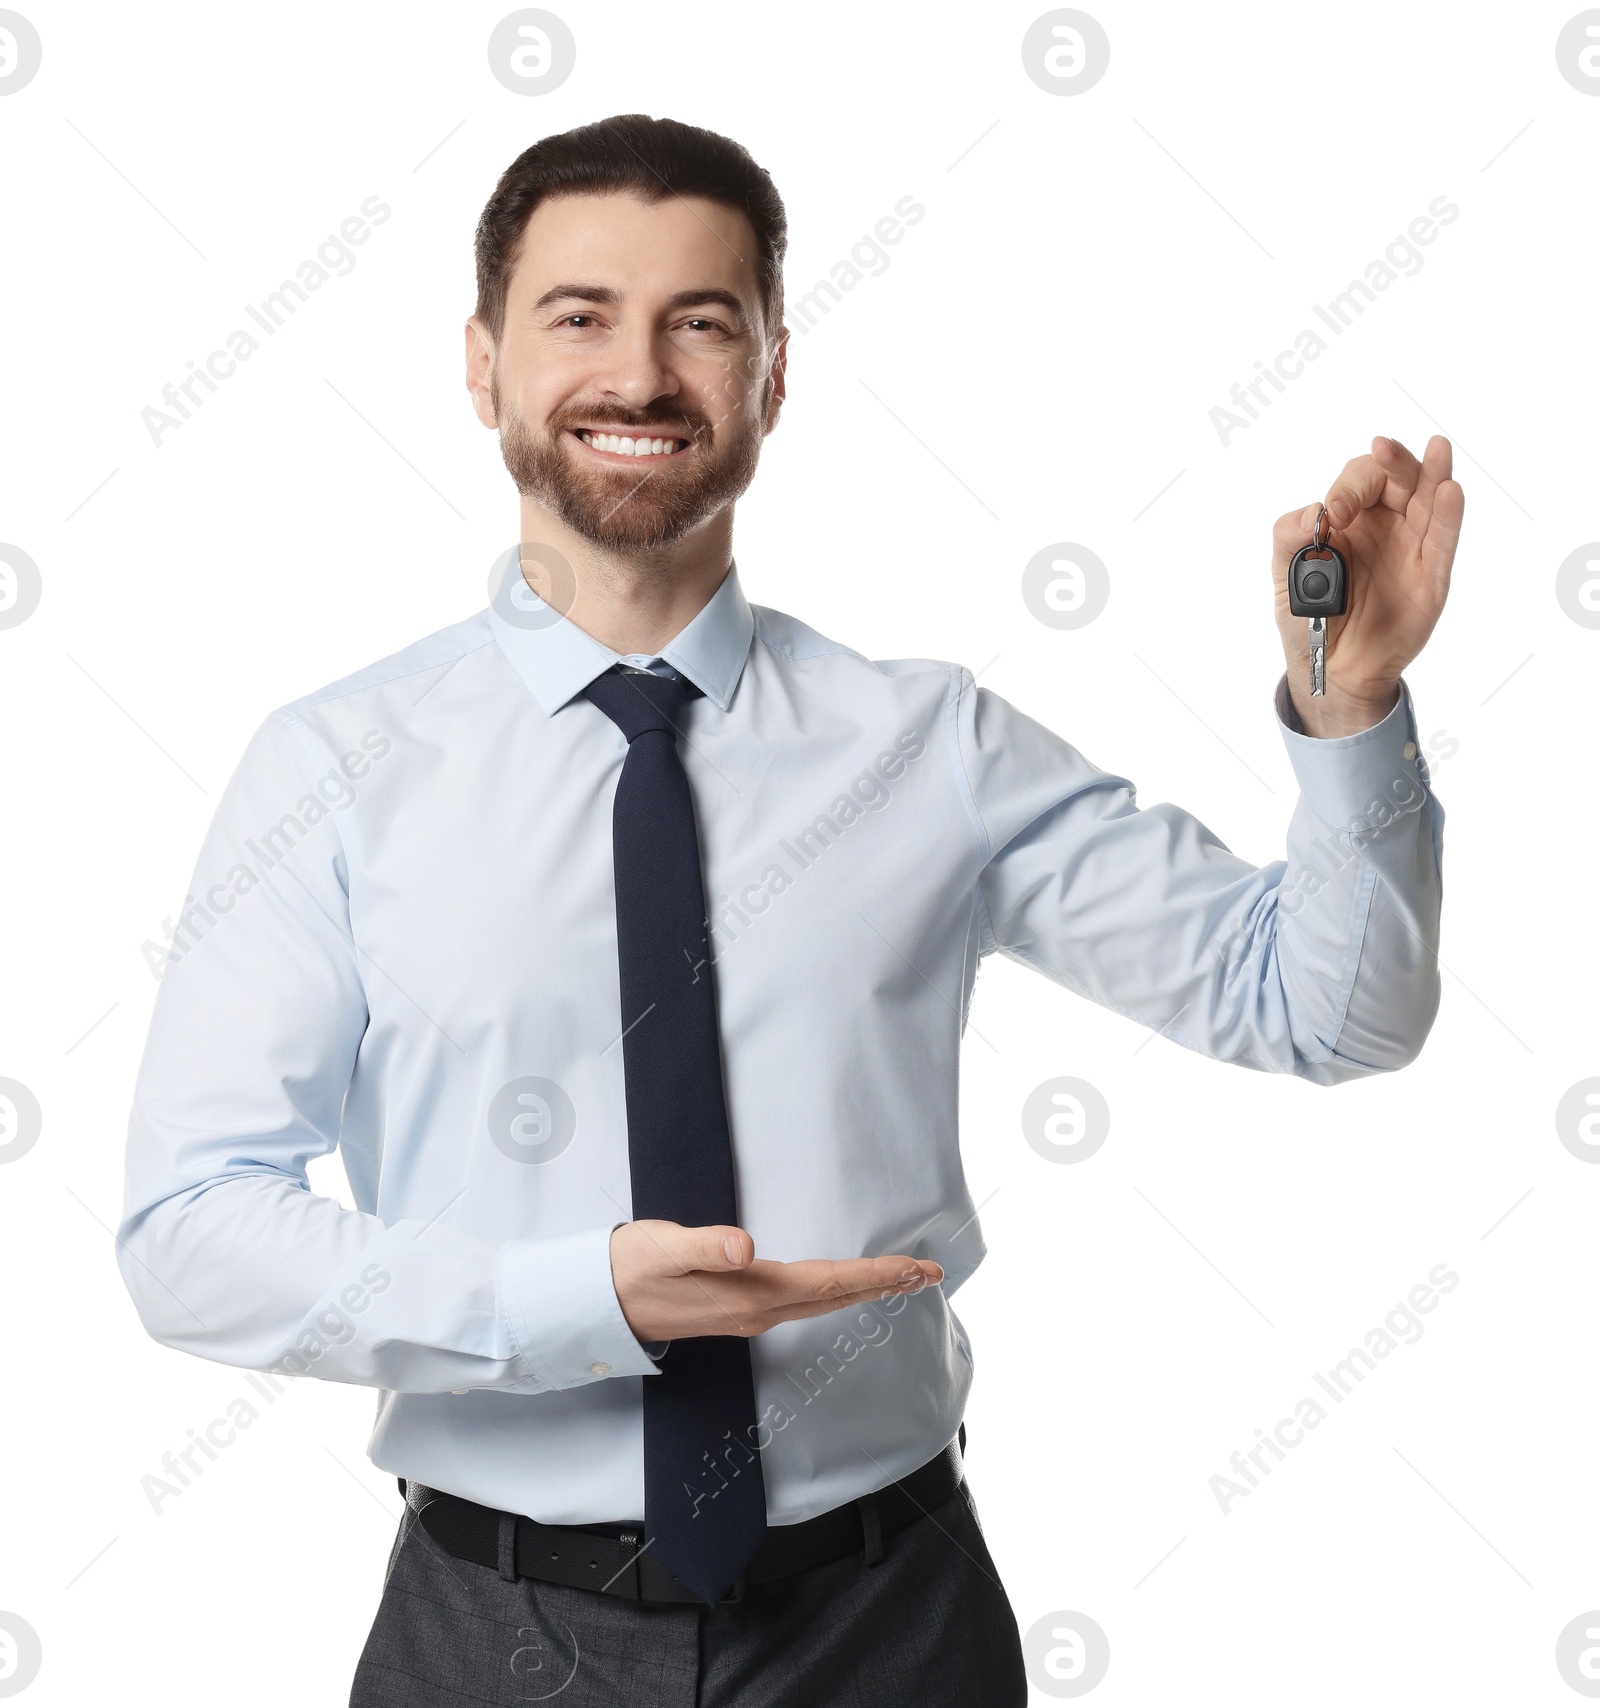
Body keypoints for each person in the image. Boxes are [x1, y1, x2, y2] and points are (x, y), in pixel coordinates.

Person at [117, 113, 1461, 1707]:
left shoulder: (928, 744)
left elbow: (1328, 1011)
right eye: (579, 316)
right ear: (481, 368)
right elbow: (189, 1236)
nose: (640, 373)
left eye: (702, 321)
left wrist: (1351, 712)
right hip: (491, 1632)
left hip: (888, 1630)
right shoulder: (334, 769)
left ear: (771, 377)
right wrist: (574, 1303)